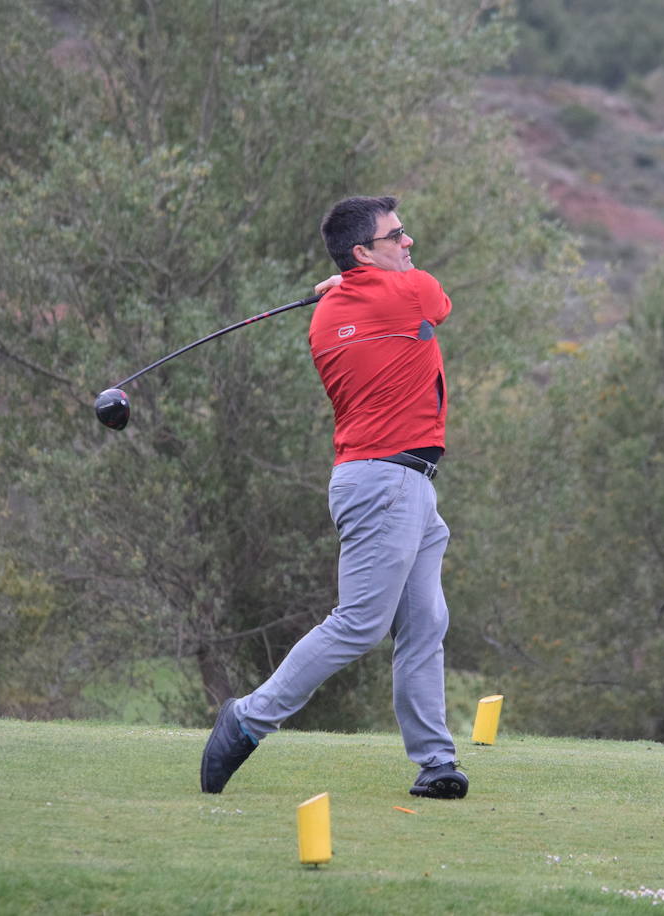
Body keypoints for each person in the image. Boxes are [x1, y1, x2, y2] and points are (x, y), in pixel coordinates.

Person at [199, 195, 468, 800]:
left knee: (425, 621)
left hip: (406, 483)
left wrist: (348, 281)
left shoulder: (328, 314)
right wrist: (362, 280)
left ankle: (435, 761)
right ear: (362, 252)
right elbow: (437, 301)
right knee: (359, 624)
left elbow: (372, 297)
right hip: (386, 483)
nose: (408, 244)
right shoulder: (409, 292)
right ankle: (247, 719)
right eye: (395, 236)